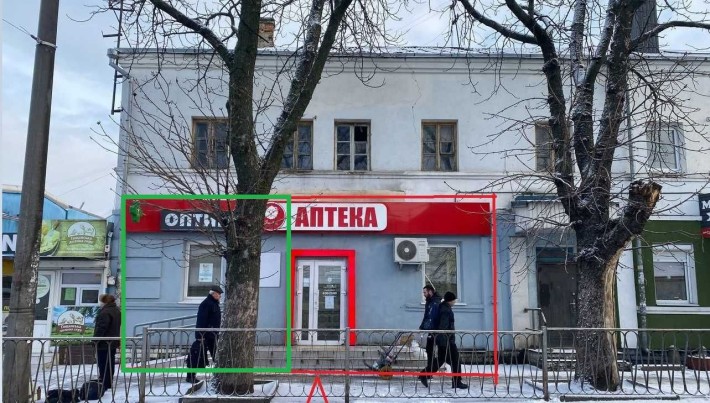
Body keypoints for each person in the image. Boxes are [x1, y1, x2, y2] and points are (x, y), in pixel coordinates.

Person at [185, 285, 223, 383]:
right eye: (218, 294)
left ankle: (220, 375)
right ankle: (190, 376)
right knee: (197, 356)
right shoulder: (206, 304)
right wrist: (200, 335)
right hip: (205, 335)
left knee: (216, 356)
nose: (220, 296)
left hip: (212, 335)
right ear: (213, 294)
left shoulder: (214, 304)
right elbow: (201, 320)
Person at [436, 291, 468, 389]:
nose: (455, 302)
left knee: (440, 360)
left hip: (444, 340)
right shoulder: (446, 310)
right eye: (454, 300)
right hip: (447, 340)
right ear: (451, 300)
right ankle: (457, 382)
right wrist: (448, 339)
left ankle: (423, 375)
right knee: (456, 361)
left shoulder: (443, 307)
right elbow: (444, 326)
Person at [94, 294, 121, 392]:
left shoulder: (105, 312)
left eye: (101, 301)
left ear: (105, 302)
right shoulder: (116, 311)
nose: (100, 303)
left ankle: (105, 382)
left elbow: (102, 328)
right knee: (110, 362)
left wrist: (95, 340)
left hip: (104, 342)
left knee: (103, 362)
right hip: (112, 341)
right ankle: (107, 381)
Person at [418, 284, 441, 387]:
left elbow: (432, 318)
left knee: (440, 354)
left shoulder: (435, 302)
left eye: (425, 292)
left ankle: (427, 372)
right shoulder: (430, 302)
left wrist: (426, 328)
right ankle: (429, 372)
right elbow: (426, 316)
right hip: (432, 331)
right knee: (430, 350)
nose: (424, 294)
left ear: (430, 292)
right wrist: (422, 326)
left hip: (436, 331)